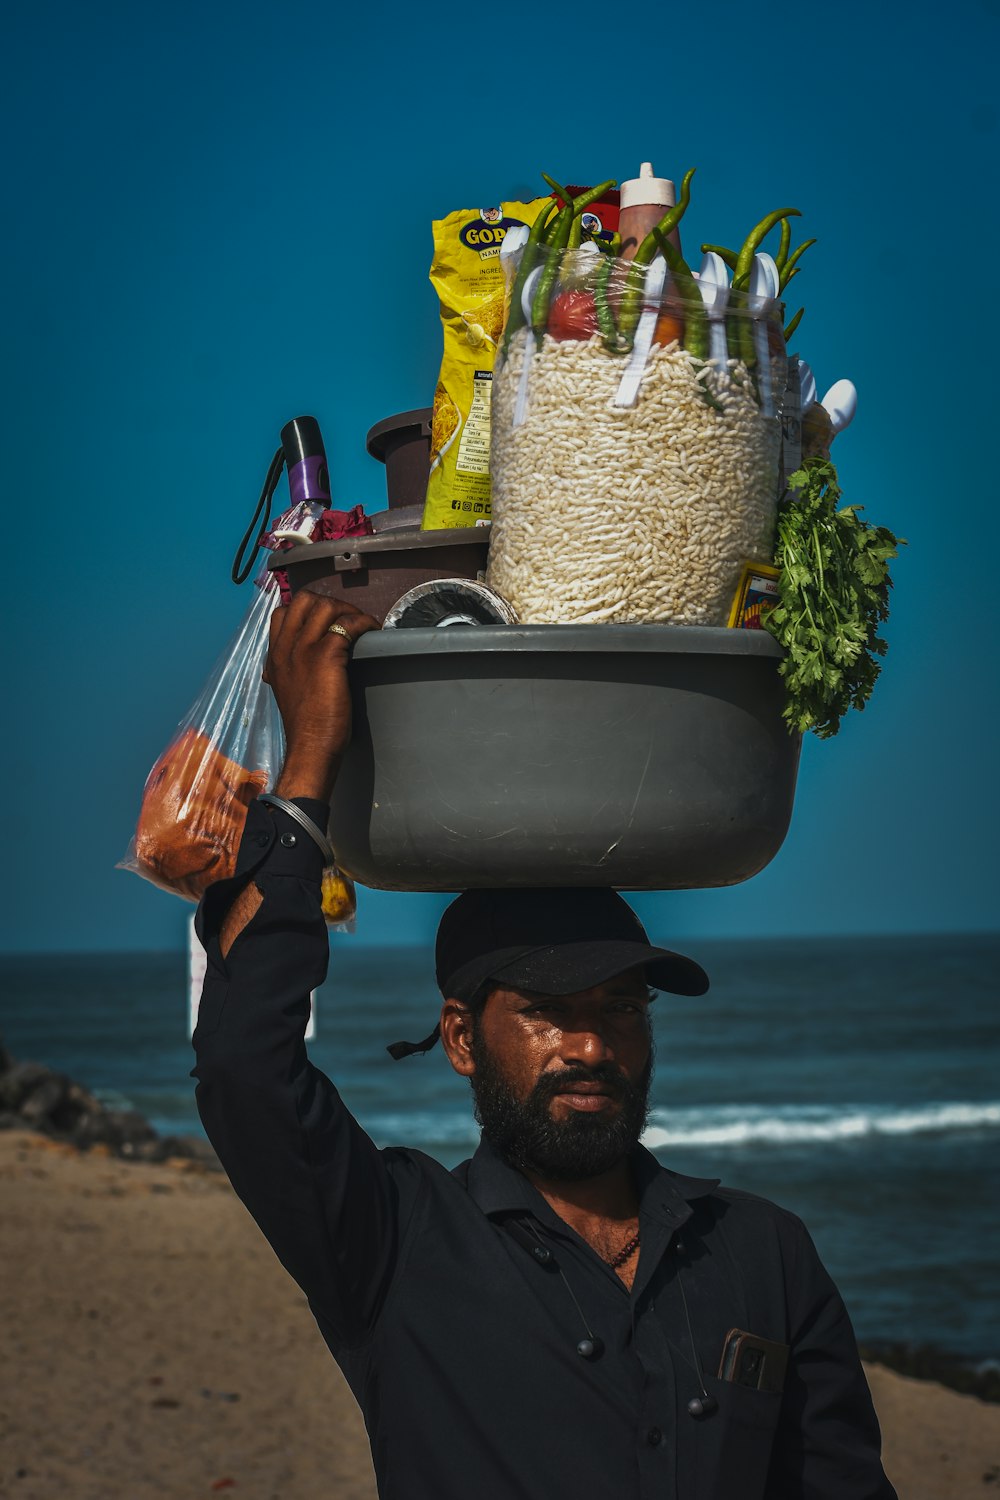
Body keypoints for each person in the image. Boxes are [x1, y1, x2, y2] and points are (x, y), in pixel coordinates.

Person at [192, 591, 897, 1500]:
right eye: (546, 1009)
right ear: (460, 1036)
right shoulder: (395, 1241)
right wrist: (312, 762)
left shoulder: (764, 1252)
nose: (591, 1045)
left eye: (621, 1008)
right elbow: (246, 1069)